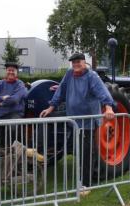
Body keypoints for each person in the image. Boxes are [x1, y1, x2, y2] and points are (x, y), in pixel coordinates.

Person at [39, 52, 115, 186]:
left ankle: (86, 184)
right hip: (73, 118)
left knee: (85, 153)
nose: (76, 64)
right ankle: (40, 152)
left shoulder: (92, 76)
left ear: (84, 62)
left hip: (87, 121)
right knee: (50, 122)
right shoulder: (69, 74)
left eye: (78, 62)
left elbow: (102, 91)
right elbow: (61, 90)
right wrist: (50, 108)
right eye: (73, 62)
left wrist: (108, 107)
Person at [0, 62, 27, 147]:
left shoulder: (20, 85)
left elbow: (14, 99)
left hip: (15, 114)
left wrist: (0, 103)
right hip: (1, 115)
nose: (11, 72)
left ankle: (13, 154)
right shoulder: (0, 83)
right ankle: (1, 157)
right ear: (6, 71)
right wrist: (3, 98)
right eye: (9, 70)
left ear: (17, 72)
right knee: (0, 141)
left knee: (11, 132)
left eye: (13, 70)